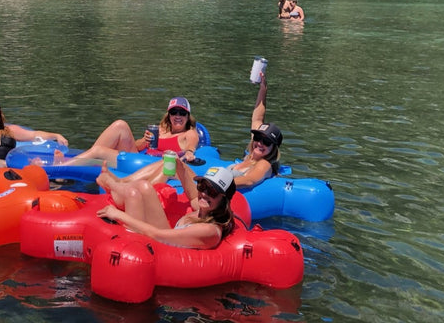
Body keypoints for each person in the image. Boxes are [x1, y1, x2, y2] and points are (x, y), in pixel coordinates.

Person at [112, 73, 282, 189]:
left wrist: (214, 183)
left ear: (273, 149)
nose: (260, 143)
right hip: (209, 183)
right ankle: (122, 183)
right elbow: (257, 118)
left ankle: (128, 187)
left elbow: (250, 180)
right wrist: (263, 90)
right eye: (258, 137)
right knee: (170, 163)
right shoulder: (251, 155)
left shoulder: (264, 164)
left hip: (213, 189)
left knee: (170, 166)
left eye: (266, 142)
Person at [95, 165, 237, 250]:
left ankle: (109, 183)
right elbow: (193, 197)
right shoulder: (203, 210)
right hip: (162, 239)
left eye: (211, 192)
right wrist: (180, 169)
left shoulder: (209, 230)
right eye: (202, 186)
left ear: (224, 200)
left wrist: (118, 215)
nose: (204, 194)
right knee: (143, 187)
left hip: (158, 249)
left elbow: (157, 235)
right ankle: (112, 184)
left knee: (133, 194)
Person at [61, 97, 200, 166]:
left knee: (99, 151)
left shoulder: (188, 133)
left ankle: (58, 168)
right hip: (140, 158)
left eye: (182, 113)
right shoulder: (160, 130)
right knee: (120, 125)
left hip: (151, 165)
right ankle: (79, 163)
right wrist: (145, 140)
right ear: (169, 115)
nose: (177, 116)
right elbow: (137, 146)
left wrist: (189, 153)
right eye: (174, 112)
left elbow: (191, 146)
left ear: (188, 117)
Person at [0, 96, 69, 165]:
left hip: (10, 166)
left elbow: (34, 135)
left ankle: (58, 175)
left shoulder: (10, 130)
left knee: (37, 163)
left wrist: (56, 135)